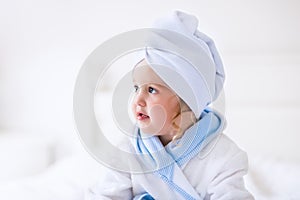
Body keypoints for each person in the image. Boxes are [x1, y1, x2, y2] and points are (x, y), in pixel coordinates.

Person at [86, 10, 254, 199]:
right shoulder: (128, 150)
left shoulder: (223, 156)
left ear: (185, 100)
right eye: (136, 88)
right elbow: (106, 195)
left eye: (151, 90)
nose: (138, 100)